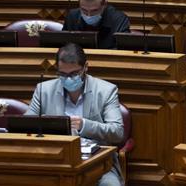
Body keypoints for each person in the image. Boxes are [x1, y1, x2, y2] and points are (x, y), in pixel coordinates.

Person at [25, 43, 124, 186]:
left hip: (98, 165)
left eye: (74, 74)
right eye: (63, 74)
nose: (69, 79)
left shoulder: (106, 91)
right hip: (55, 161)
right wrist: (46, 124)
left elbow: (117, 132)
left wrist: (84, 125)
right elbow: (26, 126)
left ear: (86, 67)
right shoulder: (43, 90)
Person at [63, 0, 131, 49]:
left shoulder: (119, 19)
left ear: (104, 4)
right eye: (84, 10)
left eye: (94, 11)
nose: (89, 15)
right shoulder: (72, 17)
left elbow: (123, 51)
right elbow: (64, 47)